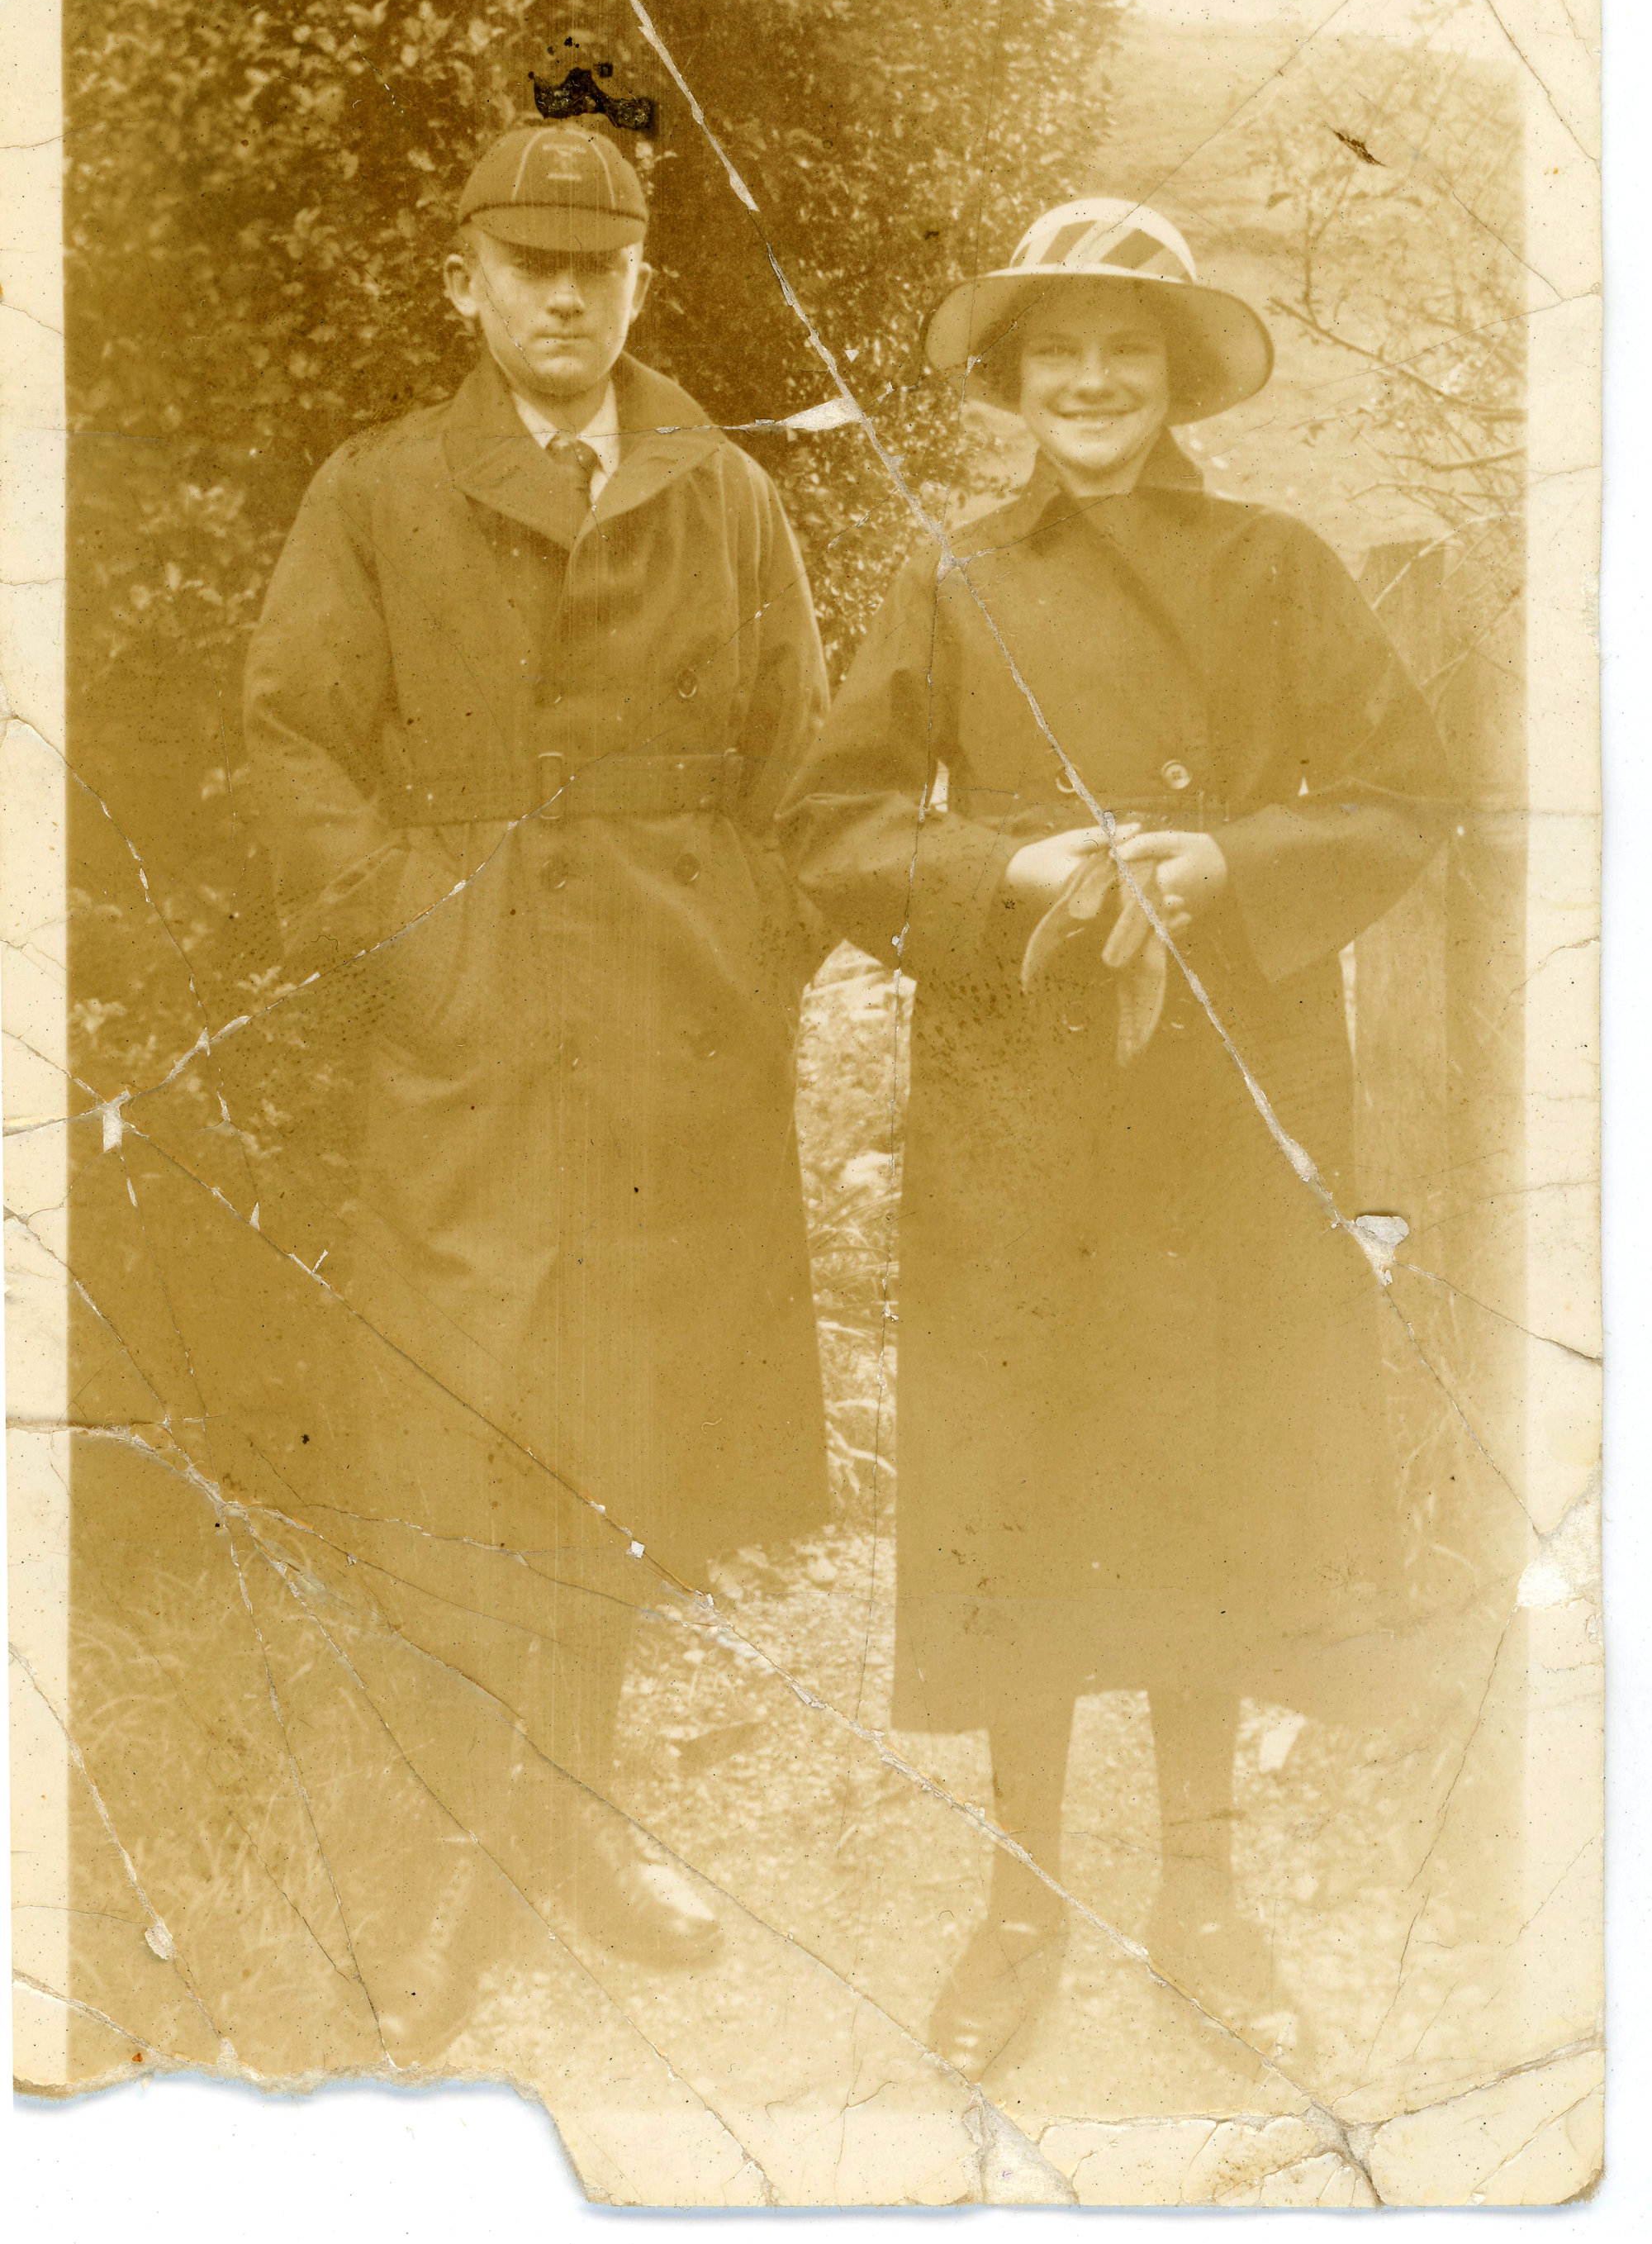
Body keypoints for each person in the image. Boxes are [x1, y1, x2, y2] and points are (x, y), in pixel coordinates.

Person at [778, 194, 1455, 2075]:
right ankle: (1018, 1901)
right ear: (1009, 378)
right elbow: (833, 825)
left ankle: (1202, 1891)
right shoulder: (954, 575)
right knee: (1027, 1460)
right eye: (1058, 351)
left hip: (1226, 1083)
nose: (1091, 381)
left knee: (1206, 1456)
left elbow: (1404, 798)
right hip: (1021, 1090)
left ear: (1174, 379)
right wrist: (1011, 868)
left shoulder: (1277, 568)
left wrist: (1224, 855)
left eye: (1127, 351)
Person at [243, 121, 831, 2026]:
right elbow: (293, 747)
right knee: (458, 1408)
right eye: (528, 263)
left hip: (670, 1033)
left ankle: (575, 1817)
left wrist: (735, 949)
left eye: (598, 263)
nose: (564, 293)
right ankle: (459, 1851)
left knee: (627, 1420)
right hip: (476, 1033)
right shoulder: (377, 489)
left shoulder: (725, 493)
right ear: (466, 284)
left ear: (640, 281)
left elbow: (803, 779)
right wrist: (423, 946)